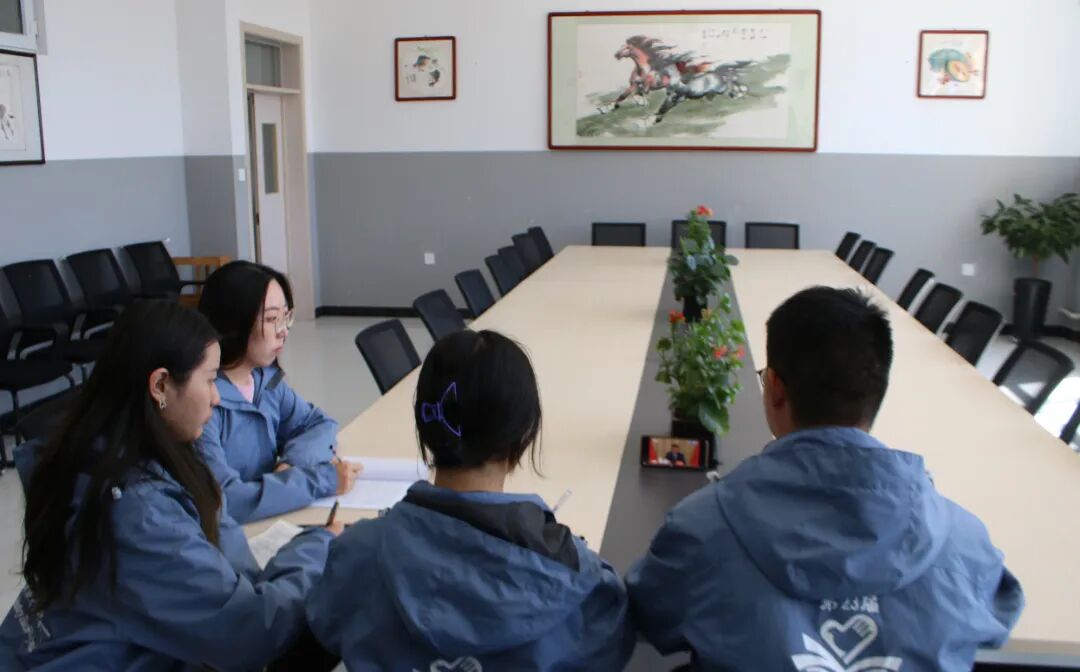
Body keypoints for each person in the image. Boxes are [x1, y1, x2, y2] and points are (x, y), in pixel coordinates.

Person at [627, 287, 1024, 671]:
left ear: (775, 389)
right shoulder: (964, 542)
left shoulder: (701, 529)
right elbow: (997, 615)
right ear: (878, 391)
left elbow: (650, 614)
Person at [0, 300, 340, 670]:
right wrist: (318, 545)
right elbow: (249, 633)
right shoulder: (136, 512)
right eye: (209, 380)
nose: (216, 397)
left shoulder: (101, 452)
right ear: (160, 384)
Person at [307, 330, 635, 669]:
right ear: (524, 436)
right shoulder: (580, 586)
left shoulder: (356, 554)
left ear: (426, 428)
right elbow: (614, 648)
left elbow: (326, 623)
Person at [197, 260, 361, 523]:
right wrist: (319, 480)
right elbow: (225, 500)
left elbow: (319, 424)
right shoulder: (201, 405)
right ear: (233, 323)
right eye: (272, 319)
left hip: (270, 519)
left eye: (286, 317)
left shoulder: (265, 381)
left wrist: (292, 465)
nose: (283, 331)